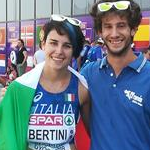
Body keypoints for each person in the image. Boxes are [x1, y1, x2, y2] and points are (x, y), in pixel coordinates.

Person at [0, 14, 87, 150]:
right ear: (43, 45)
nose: (59, 51)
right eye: (53, 43)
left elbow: (90, 135)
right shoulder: (21, 88)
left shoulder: (81, 88)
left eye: (67, 46)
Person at [79, 0, 150, 150]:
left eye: (121, 26)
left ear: (133, 29)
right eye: (108, 26)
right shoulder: (88, 74)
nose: (114, 33)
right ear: (100, 32)